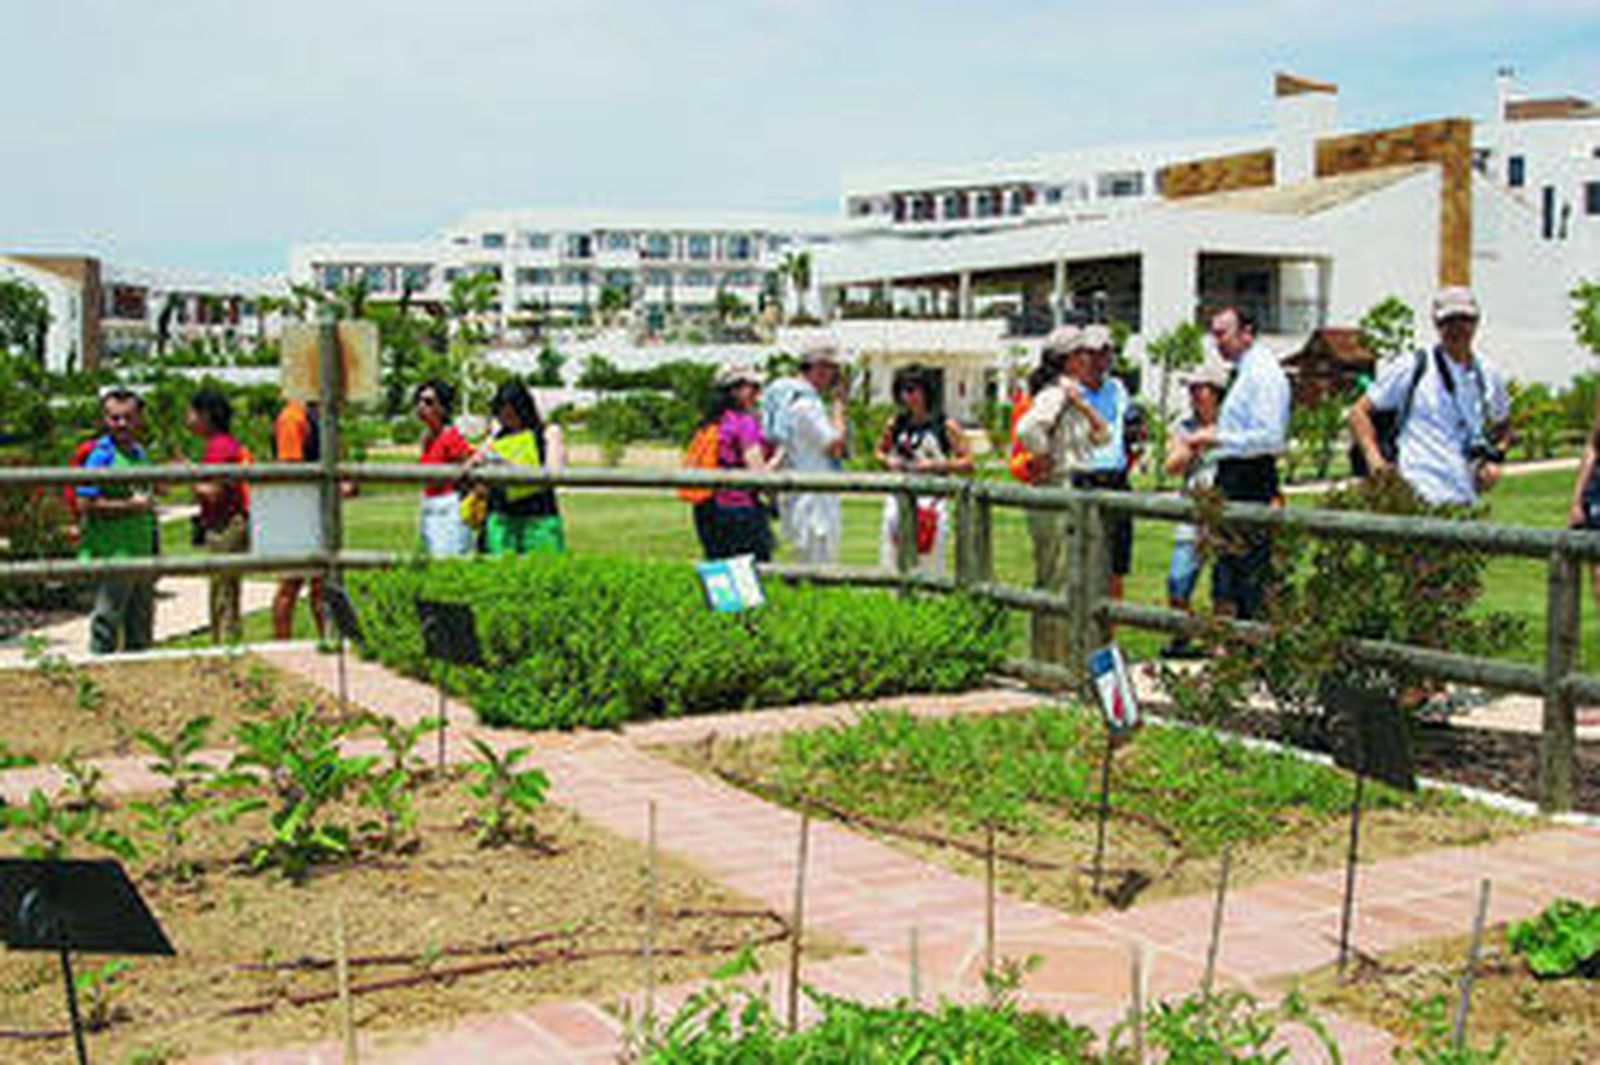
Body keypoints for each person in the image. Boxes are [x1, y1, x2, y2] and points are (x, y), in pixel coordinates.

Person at [1349, 287, 1510, 508]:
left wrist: (1495, 460)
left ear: (1476, 322)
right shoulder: (1414, 365)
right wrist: (1375, 461)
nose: (1457, 329)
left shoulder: (1488, 374)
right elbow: (1359, 412)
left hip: (1465, 500)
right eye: (1448, 321)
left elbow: (1504, 424)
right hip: (1415, 496)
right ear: (1436, 323)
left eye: (1464, 320)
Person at [1181, 306, 1289, 621]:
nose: (1217, 342)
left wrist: (1219, 437)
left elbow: (1270, 438)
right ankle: (1235, 653)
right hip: (1234, 476)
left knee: (1249, 575)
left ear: (1247, 332)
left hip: (1250, 477)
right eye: (1213, 334)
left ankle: (1251, 653)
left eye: (1222, 333)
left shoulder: (1263, 373)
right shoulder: (1244, 370)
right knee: (1228, 575)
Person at [1015, 325, 1111, 662]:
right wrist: (1044, 457)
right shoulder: (1054, 393)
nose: (1090, 359)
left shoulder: (1072, 393)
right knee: (1056, 577)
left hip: (1074, 485)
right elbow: (1026, 429)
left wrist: (1082, 406)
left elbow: (1103, 436)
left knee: (1071, 577)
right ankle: (1051, 659)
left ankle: (1061, 657)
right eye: (1082, 353)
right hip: (1060, 485)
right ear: (1067, 359)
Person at [77, 389, 158, 654]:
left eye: (127, 417)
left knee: (141, 626)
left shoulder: (139, 453)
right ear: (104, 420)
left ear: (140, 420)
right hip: (112, 552)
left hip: (141, 552)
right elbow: (85, 504)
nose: (121, 424)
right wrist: (129, 506)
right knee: (107, 623)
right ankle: (98, 679)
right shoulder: (100, 456)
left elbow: (147, 502)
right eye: (114, 418)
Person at [874, 364, 972, 574]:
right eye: (902, 391)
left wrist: (936, 465)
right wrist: (890, 462)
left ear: (926, 391)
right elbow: (880, 452)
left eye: (911, 390)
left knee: (930, 554)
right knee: (893, 550)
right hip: (899, 494)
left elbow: (967, 463)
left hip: (932, 499)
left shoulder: (945, 425)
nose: (906, 396)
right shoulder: (896, 424)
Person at [1160, 361, 1228, 658]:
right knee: (1178, 579)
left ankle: (1221, 643)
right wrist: (1194, 444)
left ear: (1215, 392)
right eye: (1191, 389)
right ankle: (1181, 636)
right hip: (1190, 514)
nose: (1193, 395)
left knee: (1223, 584)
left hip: (1225, 513)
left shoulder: (1233, 424)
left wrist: (1213, 435)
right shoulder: (1183, 427)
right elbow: (1172, 465)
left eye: (1198, 389)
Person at [764, 342, 847, 563]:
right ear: (818, 368)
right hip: (815, 500)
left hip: (802, 494)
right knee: (819, 564)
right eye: (831, 369)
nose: (834, 377)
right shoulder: (807, 406)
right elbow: (835, 445)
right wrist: (839, 407)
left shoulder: (792, 400)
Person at [1072, 325, 1137, 602]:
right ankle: (1082, 634)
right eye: (1092, 353)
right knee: (1080, 563)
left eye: (1105, 353)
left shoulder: (1118, 388)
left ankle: (1109, 639)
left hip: (1117, 479)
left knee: (1116, 565)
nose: (1099, 360)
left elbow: (1128, 430)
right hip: (1082, 479)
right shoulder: (1068, 391)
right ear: (1080, 355)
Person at [467, 380, 566, 556]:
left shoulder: (549, 432)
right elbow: (472, 464)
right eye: (502, 416)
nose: (508, 422)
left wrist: (511, 468)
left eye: (512, 415)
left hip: (539, 518)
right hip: (501, 520)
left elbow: (555, 473)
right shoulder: (495, 439)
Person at [187, 387, 250, 643]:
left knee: (222, 590)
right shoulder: (224, 445)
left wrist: (187, 476)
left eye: (191, 413)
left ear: (205, 415)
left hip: (225, 525)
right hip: (229, 523)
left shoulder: (219, 448)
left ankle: (224, 643)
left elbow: (213, 492)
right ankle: (227, 641)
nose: (188, 419)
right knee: (227, 588)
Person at [703, 365, 775, 560]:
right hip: (742, 509)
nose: (758, 393)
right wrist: (782, 455)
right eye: (753, 387)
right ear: (735, 390)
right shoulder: (745, 423)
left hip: (712, 508)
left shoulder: (714, 421)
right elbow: (758, 473)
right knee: (752, 571)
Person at [270, 397, 325, 639]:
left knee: (321, 584)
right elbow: (290, 468)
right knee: (290, 584)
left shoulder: (313, 415)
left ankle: (328, 640)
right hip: (298, 509)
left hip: (315, 507)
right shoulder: (293, 417)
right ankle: (282, 646)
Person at [414, 379, 476, 557]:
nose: (421, 406)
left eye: (429, 402)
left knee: (447, 560)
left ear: (443, 407)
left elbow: (470, 462)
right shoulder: (427, 437)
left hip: (448, 507)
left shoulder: (450, 436)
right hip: (429, 503)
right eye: (419, 400)